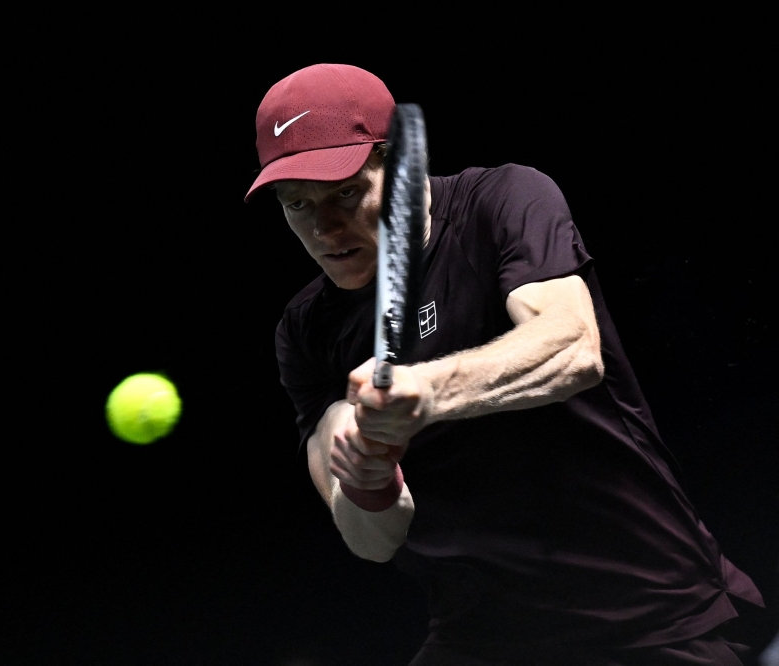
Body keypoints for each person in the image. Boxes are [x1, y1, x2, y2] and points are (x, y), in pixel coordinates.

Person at [245, 63, 766, 665]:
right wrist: (368, 480)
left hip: (645, 612)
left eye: (345, 193)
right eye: (297, 205)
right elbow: (372, 544)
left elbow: (570, 346)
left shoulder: (503, 201)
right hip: (480, 635)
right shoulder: (307, 329)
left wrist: (429, 390)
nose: (325, 227)